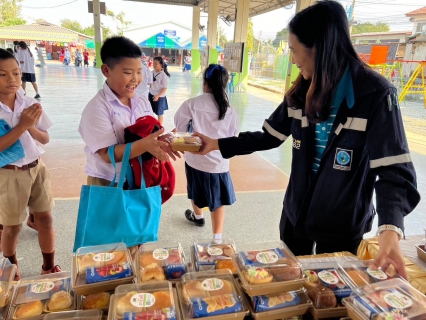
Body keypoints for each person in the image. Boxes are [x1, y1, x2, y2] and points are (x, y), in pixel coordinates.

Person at [194, 0, 420, 279]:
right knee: (289, 284)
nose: (292, 59)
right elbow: (269, 136)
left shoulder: (374, 94)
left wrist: (390, 228)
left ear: (319, 48)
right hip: (296, 215)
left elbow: (394, 170)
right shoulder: (300, 93)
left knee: (332, 293)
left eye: (294, 50)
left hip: (342, 223)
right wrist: (215, 143)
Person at [79, 36, 178, 191]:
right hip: (109, 182)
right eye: (128, 72)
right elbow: (106, 155)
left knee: (145, 216)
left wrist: (160, 141)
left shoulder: (142, 101)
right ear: (106, 70)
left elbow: (147, 135)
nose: (136, 79)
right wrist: (145, 145)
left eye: (139, 72)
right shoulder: (97, 108)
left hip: (140, 177)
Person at [0, 49, 60, 279]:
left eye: (16, 73)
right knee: (12, 226)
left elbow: (44, 138)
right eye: (3, 75)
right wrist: (22, 125)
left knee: (45, 218)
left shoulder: (27, 102)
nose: (12, 79)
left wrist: (30, 124)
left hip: (37, 168)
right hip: (9, 173)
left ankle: (49, 266)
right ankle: (11, 270)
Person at [174, 64, 239, 241]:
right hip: (219, 163)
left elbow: (180, 129)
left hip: (195, 159)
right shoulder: (230, 109)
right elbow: (234, 137)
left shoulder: (191, 104)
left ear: (205, 82)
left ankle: (198, 217)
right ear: (225, 84)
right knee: (217, 200)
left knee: (195, 189)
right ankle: (217, 238)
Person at [148, 56, 170, 125]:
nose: (154, 65)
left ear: (161, 65)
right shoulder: (152, 72)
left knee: (159, 113)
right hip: (151, 93)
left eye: (156, 64)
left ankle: (160, 128)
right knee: (150, 111)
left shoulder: (164, 75)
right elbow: (149, 83)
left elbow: (165, 88)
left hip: (160, 96)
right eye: (153, 63)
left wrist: (158, 96)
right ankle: (152, 126)